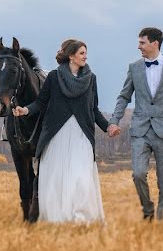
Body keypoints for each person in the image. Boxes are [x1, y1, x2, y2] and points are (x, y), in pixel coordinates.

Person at [13, 39, 114, 223]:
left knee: (81, 177)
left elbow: (94, 110)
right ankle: (58, 216)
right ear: (71, 56)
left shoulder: (91, 79)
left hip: (81, 135)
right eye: (82, 53)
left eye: (86, 52)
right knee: (57, 178)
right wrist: (25, 110)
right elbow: (40, 103)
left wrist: (108, 127)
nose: (86, 56)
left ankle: (81, 217)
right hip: (57, 135)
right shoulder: (53, 77)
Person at [108, 27, 163, 221]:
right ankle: (147, 210)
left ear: (155, 43)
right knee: (138, 174)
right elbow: (124, 97)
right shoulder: (134, 67)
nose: (138, 46)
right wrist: (114, 121)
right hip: (140, 129)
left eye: (142, 42)